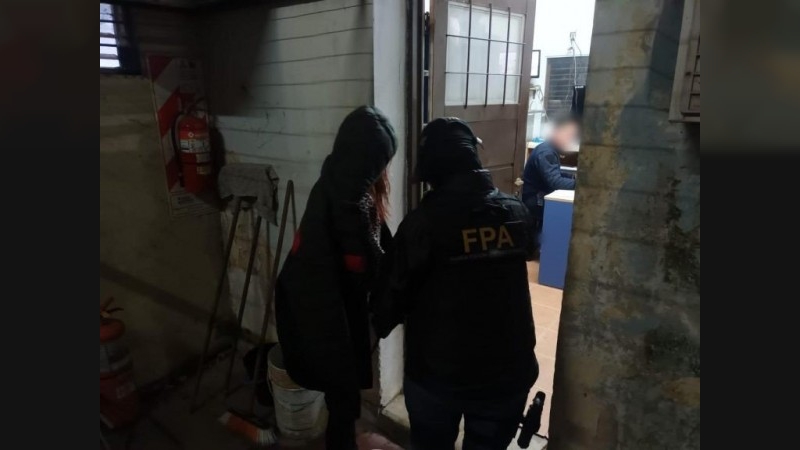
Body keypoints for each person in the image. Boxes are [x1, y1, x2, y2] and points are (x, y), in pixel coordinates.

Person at [371, 118, 538, 450]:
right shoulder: (516, 212)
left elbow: (388, 303)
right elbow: (528, 251)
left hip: (437, 379)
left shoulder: (421, 225)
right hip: (507, 378)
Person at [275, 106, 397, 450]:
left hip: (335, 312)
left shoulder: (339, 184)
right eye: (380, 162)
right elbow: (360, 267)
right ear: (365, 161)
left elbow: (373, 253)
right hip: (326, 317)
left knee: (343, 396)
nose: (384, 171)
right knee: (342, 398)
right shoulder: (347, 203)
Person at [521, 113, 580, 243]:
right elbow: (555, 182)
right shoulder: (546, 153)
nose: (569, 140)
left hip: (538, 197)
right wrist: (580, 185)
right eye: (568, 135)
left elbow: (555, 175)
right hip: (535, 201)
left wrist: (571, 177)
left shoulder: (549, 149)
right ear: (557, 132)